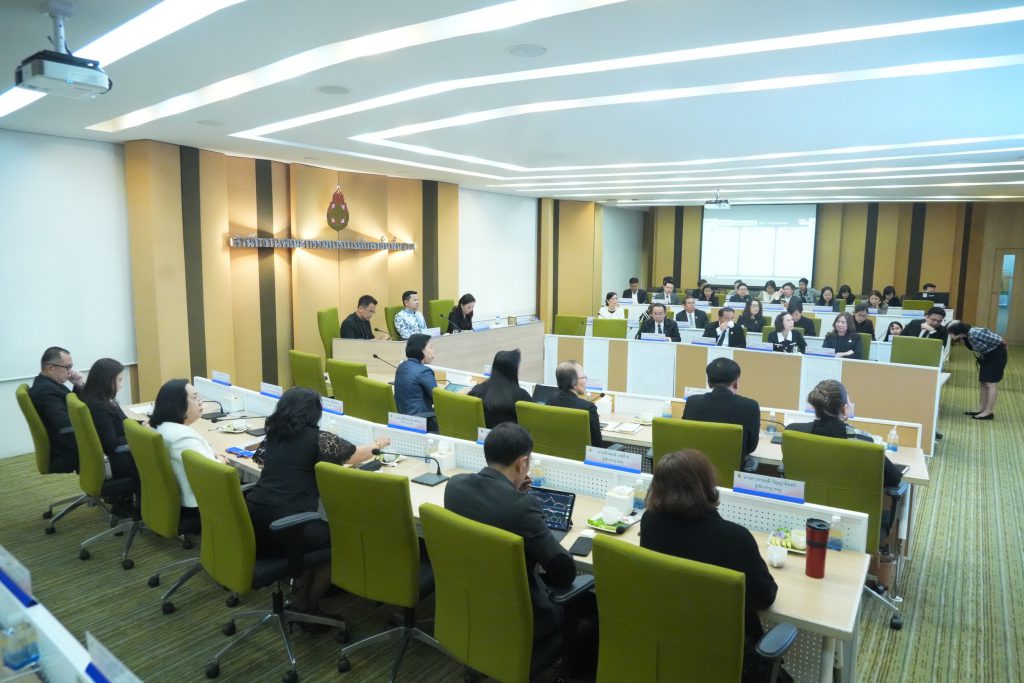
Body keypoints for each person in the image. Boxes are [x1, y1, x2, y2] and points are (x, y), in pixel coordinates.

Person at [247, 387, 386, 619]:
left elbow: (261, 462)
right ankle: (307, 605)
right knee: (342, 540)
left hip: (255, 521)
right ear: (314, 412)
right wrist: (379, 444)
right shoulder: (318, 438)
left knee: (315, 535)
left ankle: (301, 594)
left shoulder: (274, 435)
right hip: (286, 527)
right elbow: (357, 455)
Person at [639, 450, 777, 680]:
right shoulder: (735, 538)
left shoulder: (650, 522)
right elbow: (764, 597)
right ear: (706, 485)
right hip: (725, 656)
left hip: (666, 644)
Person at [444, 423, 577, 644]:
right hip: (524, 617)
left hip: (471, 600)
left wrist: (511, 490)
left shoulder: (454, 486)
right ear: (522, 463)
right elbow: (565, 573)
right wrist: (519, 500)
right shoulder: (522, 507)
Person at [787, 380, 903, 488]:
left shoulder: (793, 432)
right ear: (844, 408)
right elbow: (894, 479)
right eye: (848, 401)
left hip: (806, 500)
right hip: (848, 503)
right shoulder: (863, 441)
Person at [682, 358, 760, 471]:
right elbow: (750, 448)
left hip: (696, 472)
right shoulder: (750, 406)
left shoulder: (692, 402)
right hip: (731, 474)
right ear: (736, 383)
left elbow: (686, 438)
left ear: (709, 383)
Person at [150, 380, 217, 509]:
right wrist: (221, 461)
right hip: (199, 503)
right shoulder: (183, 437)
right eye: (195, 397)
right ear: (178, 404)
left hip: (173, 497)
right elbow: (213, 472)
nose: (200, 402)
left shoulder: (162, 427)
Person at [79, 358, 138, 482]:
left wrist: (141, 426)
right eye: (119, 380)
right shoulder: (99, 407)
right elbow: (111, 443)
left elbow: (123, 422)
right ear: (107, 381)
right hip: (117, 459)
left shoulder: (102, 399)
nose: (121, 385)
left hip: (118, 452)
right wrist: (139, 436)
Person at [28, 346, 85, 473]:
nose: (70, 372)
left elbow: (72, 406)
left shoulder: (49, 384)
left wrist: (78, 384)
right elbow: (66, 425)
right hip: (70, 451)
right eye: (67, 367)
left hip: (70, 444)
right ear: (50, 368)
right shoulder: (46, 391)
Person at [947, 321, 1007, 420]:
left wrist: (1001, 354)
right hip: (986, 356)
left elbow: (1001, 341)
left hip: (996, 356)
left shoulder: (975, 332)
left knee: (991, 383)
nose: (949, 335)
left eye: (950, 332)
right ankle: (981, 408)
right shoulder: (965, 336)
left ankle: (988, 412)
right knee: (983, 383)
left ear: (956, 330)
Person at [468, 349, 533, 428]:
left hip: (483, 435)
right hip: (511, 435)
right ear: (512, 370)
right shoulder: (521, 396)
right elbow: (534, 420)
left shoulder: (478, 390)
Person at [547, 361, 604, 448]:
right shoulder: (588, 408)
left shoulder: (550, 400)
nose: (585, 381)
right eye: (583, 377)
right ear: (573, 383)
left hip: (556, 454)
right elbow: (597, 446)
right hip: (582, 456)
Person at [394, 334, 438, 428]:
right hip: (420, 422)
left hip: (402, 419)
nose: (433, 351)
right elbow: (439, 400)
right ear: (421, 349)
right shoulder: (424, 371)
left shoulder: (402, 366)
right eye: (430, 347)